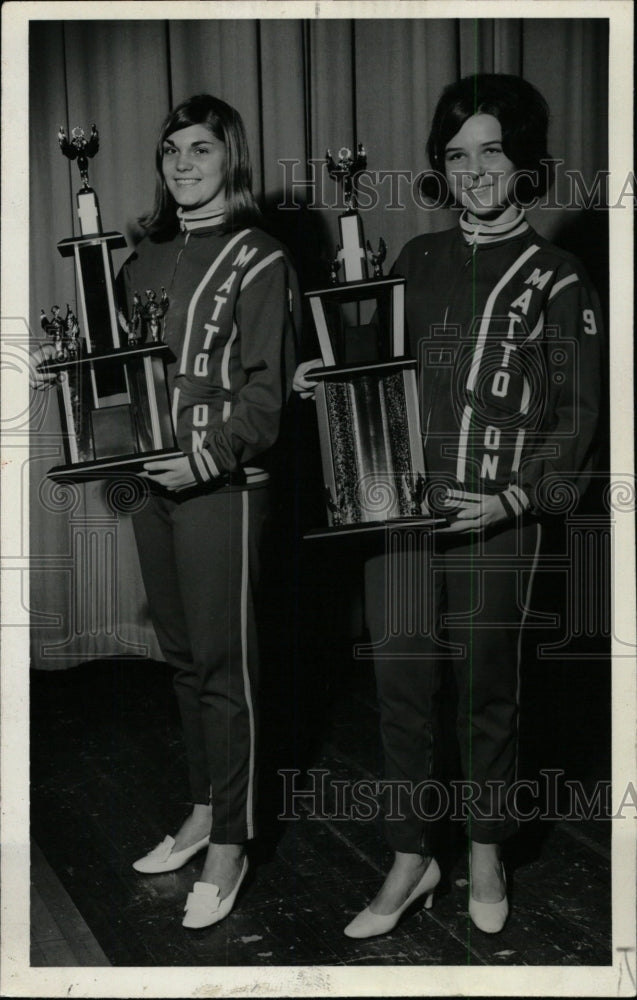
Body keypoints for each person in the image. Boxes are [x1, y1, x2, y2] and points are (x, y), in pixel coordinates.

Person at [294, 73, 603, 937]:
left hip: (495, 517)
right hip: (401, 513)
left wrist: (511, 500)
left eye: (491, 150)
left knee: (485, 693)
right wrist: (327, 374)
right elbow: (376, 369)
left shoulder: (559, 275)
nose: (472, 170)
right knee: (398, 686)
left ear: (524, 161)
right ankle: (407, 854)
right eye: (456, 155)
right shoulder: (418, 259)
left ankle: (483, 848)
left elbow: (577, 417)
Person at [111, 94, 299, 929]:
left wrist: (208, 456)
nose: (182, 163)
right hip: (153, 481)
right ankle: (200, 809)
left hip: (222, 483)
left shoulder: (260, 257)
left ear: (232, 159)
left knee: (227, 668)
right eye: (170, 150)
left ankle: (234, 838)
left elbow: (265, 402)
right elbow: (119, 372)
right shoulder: (139, 257)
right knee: (182, 659)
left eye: (201, 149)